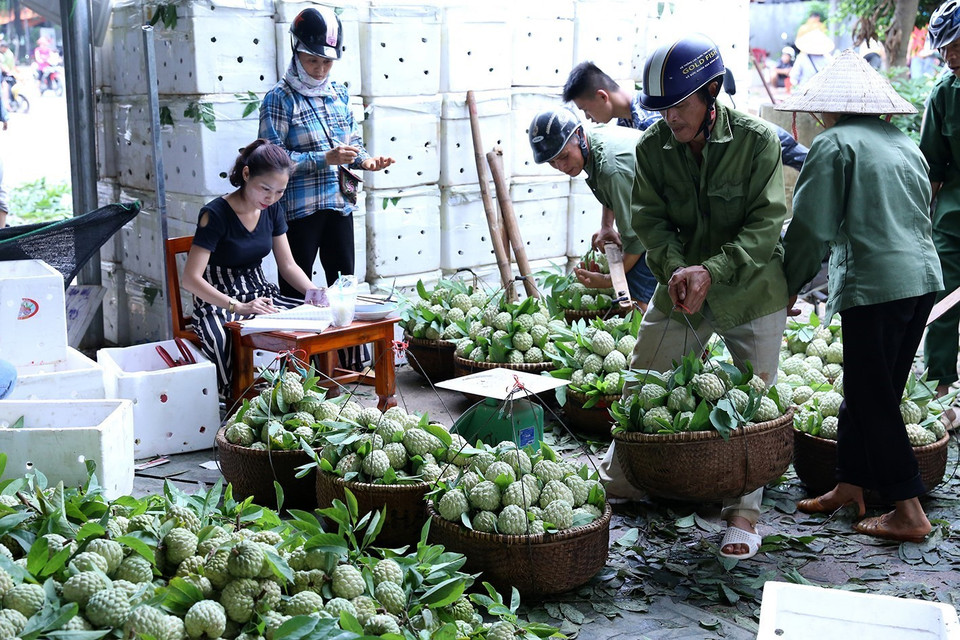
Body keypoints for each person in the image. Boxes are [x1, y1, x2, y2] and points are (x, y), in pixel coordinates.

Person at [599, 34, 790, 561]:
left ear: (711, 95)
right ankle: (629, 477)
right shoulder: (650, 148)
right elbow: (650, 222)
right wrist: (677, 269)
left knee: (755, 402)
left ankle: (744, 513)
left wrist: (713, 269)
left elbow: (766, 225)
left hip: (752, 288)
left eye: (680, 106)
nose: (670, 119)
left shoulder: (757, 142)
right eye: (661, 109)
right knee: (646, 370)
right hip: (682, 284)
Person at [779, 50, 943, 544]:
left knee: (873, 398)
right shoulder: (904, 143)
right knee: (874, 388)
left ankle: (908, 510)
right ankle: (849, 483)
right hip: (919, 279)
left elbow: (811, 228)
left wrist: (786, 285)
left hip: (875, 285)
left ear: (821, 110)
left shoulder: (832, 144)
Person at [259, 7, 393, 299]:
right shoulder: (279, 99)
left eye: (327, 63)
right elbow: (269, 161)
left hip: (338, 204)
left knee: (345, 287)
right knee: (297, 291)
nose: (320, 69)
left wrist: (366, 160)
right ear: (296, 52)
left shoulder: (338, 94)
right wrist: (323, 159)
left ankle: (349, 346)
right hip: (298, 209)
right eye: (312, 61)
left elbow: (351, 140)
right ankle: (299, 346)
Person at [182, 139, 321, 395]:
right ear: (246, 174)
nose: (271, 197)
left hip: (262, 295)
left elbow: (288, 265)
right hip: (218, 303)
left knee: (314, 322)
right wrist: (239, 306)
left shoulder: (272, 209)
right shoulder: (215, 214)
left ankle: (297, 398)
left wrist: (315, 293)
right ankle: (235, 406)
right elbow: (190, 279)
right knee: (222, 339)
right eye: (265, 189)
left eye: (280, 192)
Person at [527, 108, 652, 310]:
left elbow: (637, 239)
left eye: (565, 156)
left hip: (678, 212)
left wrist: (608, 279)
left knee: (635, 296)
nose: (561, 166)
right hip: (654, 203)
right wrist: (606, 225)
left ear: (579, 137)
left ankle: (650, 335)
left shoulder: (612, 168)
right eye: (552, 162)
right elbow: (608, 187)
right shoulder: (595, 141)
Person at [921, 0, 960, 426]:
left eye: (957, 45)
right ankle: (942, 388)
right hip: (953, 217)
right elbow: (933, 166)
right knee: (944, 301)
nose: (950, 56)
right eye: (945, 48)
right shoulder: (944, 94)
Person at [562, 61, 661, 131]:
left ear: (603, 96)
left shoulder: (648, 123)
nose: (587, 117)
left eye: (585, 110)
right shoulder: (625, 122)